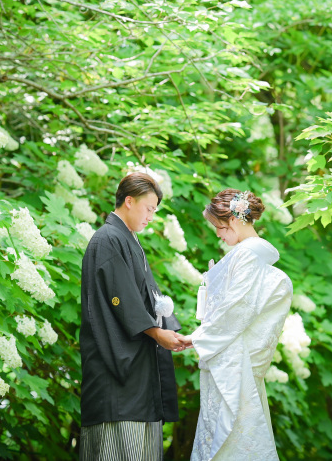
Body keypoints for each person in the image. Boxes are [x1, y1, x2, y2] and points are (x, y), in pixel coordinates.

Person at [79, 172, 188, 461]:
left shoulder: (127, 239)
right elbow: (122, 299)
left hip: (137, 372)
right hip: (115, 374)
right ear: (129, 201)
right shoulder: (107, 239)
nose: (151, 217)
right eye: (148, 209)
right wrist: (156, 333)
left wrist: (168, 330)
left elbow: (148, 298)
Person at [185, 189, 293, 461]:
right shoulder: (249, 254)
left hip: (232, 361)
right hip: (231, 357)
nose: (218, 234)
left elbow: (237, 308)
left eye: (219, 227)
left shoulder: (247, 255)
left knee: (227, 437)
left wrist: (197, 338)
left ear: (233, 219)